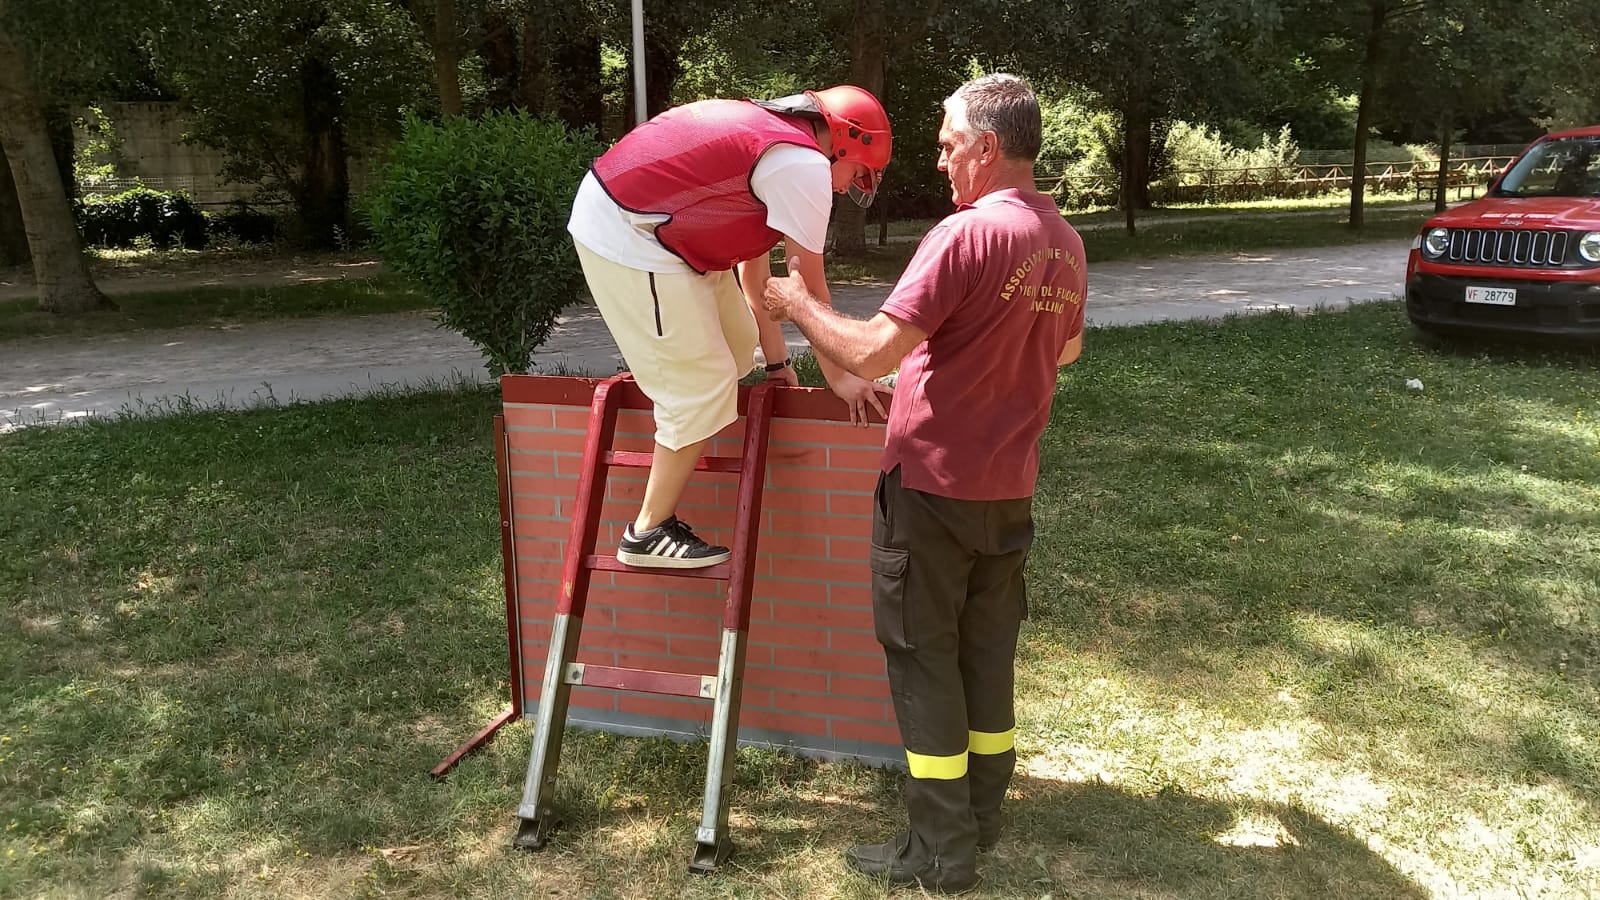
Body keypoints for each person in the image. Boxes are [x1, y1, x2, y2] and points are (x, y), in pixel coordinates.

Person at [762, 73, 1086, 892]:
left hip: (933, 487)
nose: (941, 161)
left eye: (947, 144)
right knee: (985, 653)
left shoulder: (965, 235)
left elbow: (871, 353)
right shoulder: (1064, 241)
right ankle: (982, 816)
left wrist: (796, 301)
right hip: (1008, 486)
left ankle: (941, 852)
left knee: (922, 658)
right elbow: (1068, 350)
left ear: (986, 146)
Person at [568, 86, 896, 569]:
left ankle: (680, 392)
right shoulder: (802, 168)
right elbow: (809, 293)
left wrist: (777, 363)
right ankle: (647, 531)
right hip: (629, 233)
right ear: (844, 142)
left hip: (664, 233)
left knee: (738, 349)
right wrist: (844, 377)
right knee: (702, 381)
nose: (848, 186)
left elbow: (755, 275)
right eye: (857, 173)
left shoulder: (774, 143)